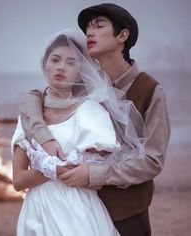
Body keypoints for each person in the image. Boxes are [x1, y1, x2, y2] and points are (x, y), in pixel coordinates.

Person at [18, 3, 171, 236]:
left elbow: (152, 161)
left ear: (122, 35)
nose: (90, 33)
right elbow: (43, 97)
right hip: (77, 205)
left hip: (125, 209)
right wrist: (43, 133)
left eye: (98, 26)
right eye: (88, 28)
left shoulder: (150, 90)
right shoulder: (83, 81)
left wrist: (92, 174)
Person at [11, 31, 132, 235]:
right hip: (38, 211)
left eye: (70, 62)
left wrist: (55, 168)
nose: (61, 67)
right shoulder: (30, 116)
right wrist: (53, 170)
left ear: (79, 71)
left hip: (80, 211)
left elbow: (97, 184)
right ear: (45, 64)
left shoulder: (91, 112)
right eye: (55, 60)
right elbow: (18, 181)